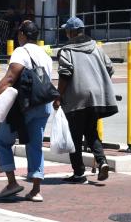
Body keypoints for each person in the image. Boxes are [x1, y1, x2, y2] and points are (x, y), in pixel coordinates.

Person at [0, 20, 53, 202]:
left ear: (23, 34)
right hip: (43, 104)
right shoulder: (44, 54)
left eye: (19, 33)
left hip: (24, 106)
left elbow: (10, 76)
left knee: (2, 141)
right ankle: (36, 190)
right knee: (35, 145)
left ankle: (12, 183)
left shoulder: (20, 51)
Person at [56, 16, 117, 183]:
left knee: (74, 136)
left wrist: (58, 96)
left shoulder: (67, 50)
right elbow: (110, 68)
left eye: (67, 31)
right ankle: (102, 161)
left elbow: (65, 74)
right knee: (91, 132)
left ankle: (79, 173)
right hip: (97, 98)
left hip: (77, 98)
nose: (66, 34)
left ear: (71, 32)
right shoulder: (96, 48)